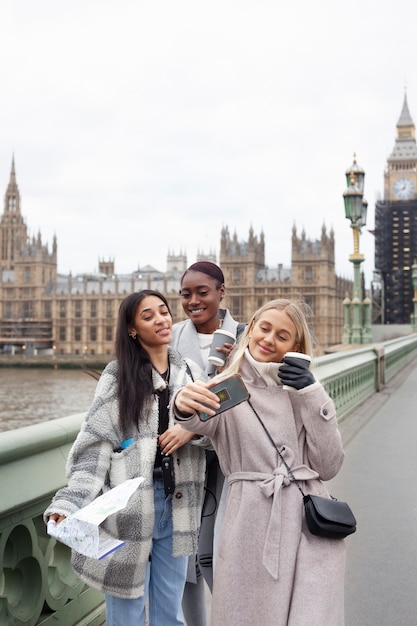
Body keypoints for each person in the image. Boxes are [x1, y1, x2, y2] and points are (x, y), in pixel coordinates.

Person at [172, 298, 346, 626]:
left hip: (309, 527)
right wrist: (182, 403)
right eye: (264, 328)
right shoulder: (230, 387)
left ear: (296, 345)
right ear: (250, 330)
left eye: (282, 336)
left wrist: (312, 392)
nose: (269, 339)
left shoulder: (305, 392)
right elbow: (197, 421)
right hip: (252, 523)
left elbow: (329, 465)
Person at [44, 290, 207, 626]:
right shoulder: (118, 376)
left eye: (163, 312)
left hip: (178, 504)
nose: (161, 320)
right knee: (127, 615)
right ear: (132, 329)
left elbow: (215, 428)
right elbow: (95, 446)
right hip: (129, 509)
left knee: (170, 614)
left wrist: (191, 431)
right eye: (148, 316)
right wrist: (67, 505)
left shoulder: (189, 371)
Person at [171, 261, 244, 626]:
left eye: (203, 292)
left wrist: (192, 427)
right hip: (182, 465)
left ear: (221, 291)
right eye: (186, 294)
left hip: (229, 462)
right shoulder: (169, 335)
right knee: (186, 561)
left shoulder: (246, 336)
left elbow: (245, 392)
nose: (194, 300)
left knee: (220, 555)